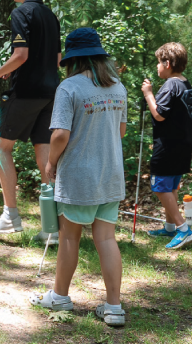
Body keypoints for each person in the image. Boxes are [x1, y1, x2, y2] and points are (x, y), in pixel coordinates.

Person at [28, 27, 126, 327]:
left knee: (69, 237)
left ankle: (59, 297)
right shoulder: (118, 87)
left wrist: (50, 162)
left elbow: (59, 135)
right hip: (111, 175)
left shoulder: (69, 88)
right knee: (106, 238)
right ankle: (113, 307)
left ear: (72, 60)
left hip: (80, 175)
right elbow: (120, 132)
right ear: (99, 56)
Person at [0, 0, 62, 244]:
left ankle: (10, 215)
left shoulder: (21, 13)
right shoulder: (51, 17)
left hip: (26, 92)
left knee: (0, 147)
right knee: (45, 155)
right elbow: (58, 60)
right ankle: (51, 227)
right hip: (52, 92)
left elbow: (20, 56)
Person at [140, 42, 192, 249]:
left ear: (168, 63)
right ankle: (170, 226)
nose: (157, 67)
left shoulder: (171, 85)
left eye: (159, 63)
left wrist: (148, 93)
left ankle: (183, 229)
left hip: (169, 145)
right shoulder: (185, 83)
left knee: (160, 186)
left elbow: (159, 114)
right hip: (183, 143)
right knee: (171, 185)